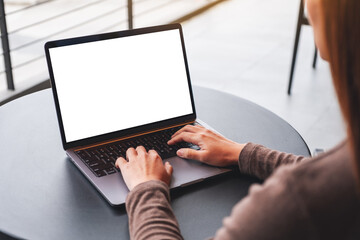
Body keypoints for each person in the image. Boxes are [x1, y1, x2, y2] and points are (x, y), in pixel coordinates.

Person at [115, 0, 360, 239]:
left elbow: (317, 186)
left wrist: (146, 188)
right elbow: (327, 177)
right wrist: (242, 153)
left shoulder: (291, 206)